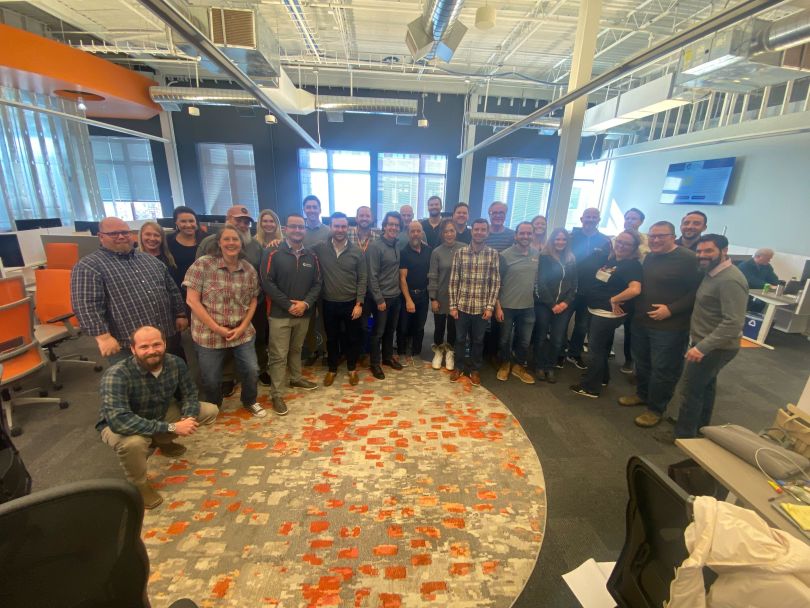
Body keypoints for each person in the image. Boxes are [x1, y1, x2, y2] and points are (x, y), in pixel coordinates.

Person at [98, 325, 218, 509]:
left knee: (209, 411)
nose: (152, 350)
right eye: (144, 347)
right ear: (133, 349)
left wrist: (188, 418)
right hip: (121, 423)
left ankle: (162, 441)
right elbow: (119, 420)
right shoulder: (116, 374)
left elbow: (189, 394)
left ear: (165, 344)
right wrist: (172, 427)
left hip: (159, 411)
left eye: (156, 344)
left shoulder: (175, 362)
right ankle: (138, 485)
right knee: (134, 444)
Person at [655, 234, 748, 443]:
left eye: (708, 251)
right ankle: (699, 427)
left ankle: (684, 436)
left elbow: (733, 322)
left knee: (690, 390)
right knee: (705, 387)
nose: (702, 255)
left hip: (715, 347)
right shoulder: (712, 272)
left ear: (724, 251)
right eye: (699, 251)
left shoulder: (730, 280)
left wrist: (702, 347)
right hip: (708, 343)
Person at [71, 217, 187, 364]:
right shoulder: (89, 266)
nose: (121, 236)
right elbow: (86, 305)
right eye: (114, 233)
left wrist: (180, 314)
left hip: (165, 333)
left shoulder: (150, 260)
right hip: (127, 342)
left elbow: (172, 290)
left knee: (172, 370)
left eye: (125, 232)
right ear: (101, 236)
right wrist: (103, 337)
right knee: (135, 377)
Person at [620, 221, 702, 428]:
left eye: (661, 236)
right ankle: (642, 394)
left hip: (670, 327)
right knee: (642, 363)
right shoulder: (650, 257)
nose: (655, 240)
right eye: (652, 236)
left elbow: (698, 292)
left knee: (663, 369)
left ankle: (656, 409)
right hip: (641, 322)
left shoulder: (688, 258)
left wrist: (671, 309)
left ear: (672, 237)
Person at [184, 225, 264, 418]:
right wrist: (217, 328)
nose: (231, 243)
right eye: (226, 239)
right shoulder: (203, 265)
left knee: (252, 370)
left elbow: (253, 300)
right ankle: (214, 406)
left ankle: (250, 401)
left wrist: (243, 327)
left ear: (241, 243)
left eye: (235, 239)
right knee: (210, 378)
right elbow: (192, 300)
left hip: (241, 331)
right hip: (208, 334)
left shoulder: (248, 269)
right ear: (219, 243)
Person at [197, 205, 267, 389]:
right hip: (215, 313)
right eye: (238, 220)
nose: (243, 225)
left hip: (249, 306)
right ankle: (227, 379)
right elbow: (196, 289)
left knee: (254, 350)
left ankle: (255, 379)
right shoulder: (207, 248)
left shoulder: (255, 246)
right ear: (227, 220)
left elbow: (260, 276)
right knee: (217, 361)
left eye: (246, 222)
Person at [260, 214, 322, 415]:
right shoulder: (272, 252)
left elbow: (317, 283)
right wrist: (288, 305)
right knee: (278, 355)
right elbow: (267, 283)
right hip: (279, 314)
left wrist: (305, 304)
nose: (297, 230)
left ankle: (296, 378)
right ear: (285, 229)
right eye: (293, 226)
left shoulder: (311, 256)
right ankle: (277, 394)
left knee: (296, 349)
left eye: (301, 227)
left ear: (305, 230)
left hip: (303, 313)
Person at [570, 230, 642, 398]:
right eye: (619, 241)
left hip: (606, 314)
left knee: (595, 350)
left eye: (627, 244)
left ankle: (590, 387)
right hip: (597, 310)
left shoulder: (632, 265)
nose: (621, 246)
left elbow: (635, 289)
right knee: (602, 348)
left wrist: (614, 299)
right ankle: (602, 377)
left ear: (634, 247)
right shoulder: (613, 260)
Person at [312, 212, 366, 387]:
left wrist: (359, 303)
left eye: (343, 226)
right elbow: (299, 248)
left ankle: (352, 369)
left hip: (351, 303)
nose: (340, 230)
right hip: (329, 303)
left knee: (352, 338)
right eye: (336, 226)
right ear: (331, 227)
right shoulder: (320, 248)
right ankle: (332, 369)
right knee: (332, 338)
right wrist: (278, 242)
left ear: (348, 228)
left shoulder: (357, 251)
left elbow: (362, 279)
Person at [449, 219, 501, 386]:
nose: (479, 232)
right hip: (462, 306)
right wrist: (453, 306)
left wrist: (490, 307)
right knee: (459, 339)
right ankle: (458, 367)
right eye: (476, 229)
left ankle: (475, 369)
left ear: (487, 232)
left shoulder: (493, 254)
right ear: (472, 231)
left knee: (478, 341)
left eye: (483, 229)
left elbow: (495, 283)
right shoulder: (460, 253)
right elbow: (454, 281)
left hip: (481, 308)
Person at [567, 207, 612, 369]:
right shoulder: (571, 237)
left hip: (590, 291)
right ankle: (558, 353)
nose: (591, 219)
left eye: (594, 217)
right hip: (569, 289)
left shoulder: (605, 241)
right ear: (581, 219)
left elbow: (608, 265)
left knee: (582, 326)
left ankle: (574, 354)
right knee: (561, 323)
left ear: (598, 220)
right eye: (588, 216)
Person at [495, 222, 539, 385]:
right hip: (506, 305)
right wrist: (497, 306)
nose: (525, 236)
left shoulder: (537, 254)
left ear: (533, 235)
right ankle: (505, 364)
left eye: (529, 233)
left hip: (528, 306)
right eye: (522, 233)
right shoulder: (505, 255)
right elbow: (496, 282)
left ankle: (519, 366)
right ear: (516, 235)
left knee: (524, 341)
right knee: (504, 340)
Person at [533, 228, 577, 383]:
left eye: (563, 239)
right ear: (552, 240)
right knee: (541, 337)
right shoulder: (544, 257)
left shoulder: (571, 259)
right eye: (557, 239)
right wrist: (552, 304)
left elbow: (574, 284)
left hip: (564, 305)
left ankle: (550, 366)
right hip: (544, 304)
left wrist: (565, 303)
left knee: (557, 339)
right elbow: (541, 283)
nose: (560, 242)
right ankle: (539, 365)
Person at [366, 211, 403, 380]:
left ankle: (387, 358)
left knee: (390, 330)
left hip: (396, 296)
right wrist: (379, 299)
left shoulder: (397, 244)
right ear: (384, 226)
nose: (393, 227)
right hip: (382, 298)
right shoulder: (375, 247)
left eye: (396, 225)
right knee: (378, 332)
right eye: (390, 224)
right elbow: (371, 275)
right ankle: (375, 363)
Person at [428, 219, 465, 371]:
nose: (449, 234)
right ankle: (438, 351)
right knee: (439, 327)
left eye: (452, 231)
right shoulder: (436, 252)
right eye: (446, 231)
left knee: (453, 328)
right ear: (442, 234)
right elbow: (433, 276)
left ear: (456, 232)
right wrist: (433, 298)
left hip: (458, 297)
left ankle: (450, 352)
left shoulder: (464, 249)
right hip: (440, 296)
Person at [616, 208, 649, 374]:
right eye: (627, 218)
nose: (629, 221)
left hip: (636, 288)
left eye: (634, 218)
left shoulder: (647, 242)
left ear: (641, 221)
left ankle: (630, 359)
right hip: (617, 287)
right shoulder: (617, 238)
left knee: (631, 327)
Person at [398, 221, 432, 366]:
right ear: (408, 234)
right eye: (412, 231)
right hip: (407, 295)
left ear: (422, 233)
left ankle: (416, 353)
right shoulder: (403, 252)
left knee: (419, 326)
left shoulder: (429, 251)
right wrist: (408, 300)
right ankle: (401, 353)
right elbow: (402, 278)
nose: (416, 234)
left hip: (423, 295)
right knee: (403, 326)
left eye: (418, 231)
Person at [166, 205, 205, 293]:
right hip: (177, 290)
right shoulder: (168, 240)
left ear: (196, 222)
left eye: (191, 221)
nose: (188, 225)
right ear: (176, 222)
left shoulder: (206, 240)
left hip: (202, 289)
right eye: (183, 221)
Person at [739, 248, 779, 313]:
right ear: (758, 256)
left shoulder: (767, 266)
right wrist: (769, 286)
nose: (769, 261)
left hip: (758, 294)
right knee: (759, 302)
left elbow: (773, 279)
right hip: (743, 294)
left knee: (762, 302)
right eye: (768, 258)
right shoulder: (745, 265)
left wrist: (779, 286)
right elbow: (751, 280)